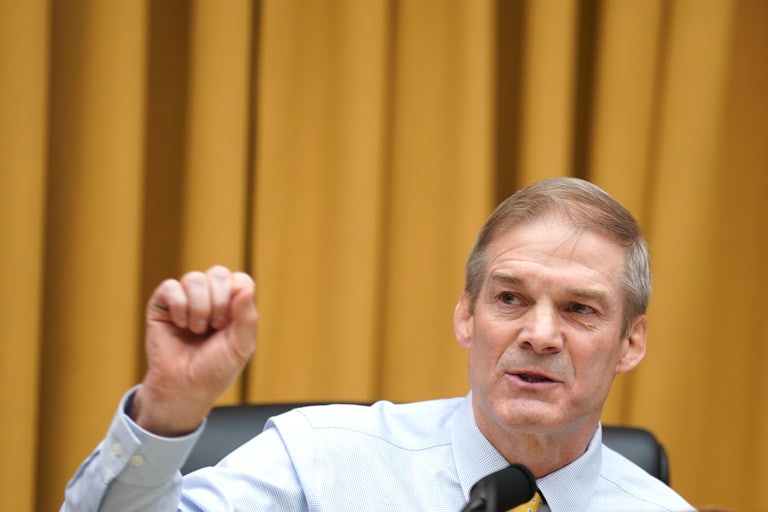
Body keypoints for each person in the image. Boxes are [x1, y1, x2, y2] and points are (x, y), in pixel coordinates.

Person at [61, 177, 695, 511]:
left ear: (630, 343)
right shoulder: (321, 461)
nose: (539, 333)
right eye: (510, 298)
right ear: (466, 318)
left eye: (581, 309)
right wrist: (169, 411)